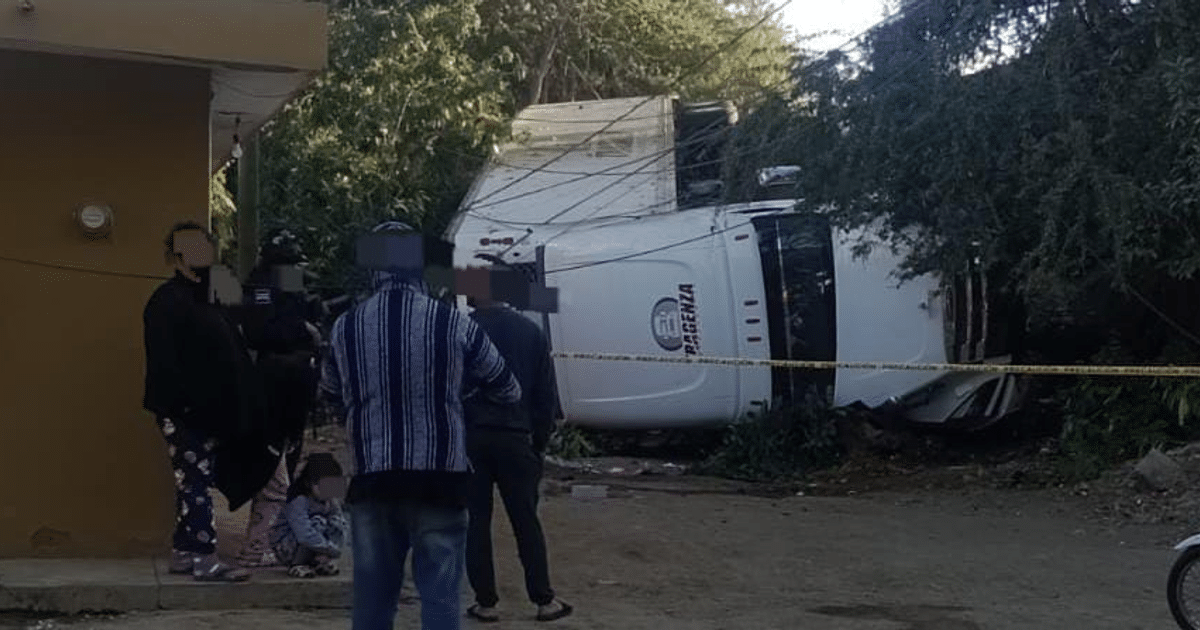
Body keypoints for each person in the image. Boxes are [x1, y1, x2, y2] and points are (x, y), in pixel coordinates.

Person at [321, 221, 522, 630]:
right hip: (439, 482)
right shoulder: (454, 323)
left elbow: (328, 392)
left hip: (373, 480)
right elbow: (508, 388)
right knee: (441, 600)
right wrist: (461, 395)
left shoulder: (345, 327)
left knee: (373, 603)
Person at [142, 221, 274, 582]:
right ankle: (203, 557)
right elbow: (163, 361)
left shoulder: (212, 297)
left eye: (205, 246)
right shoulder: (166, 301)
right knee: (195, 481)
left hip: (215, 413)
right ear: (175, 256)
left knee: (195, 480)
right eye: (193, 247)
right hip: (183, 412)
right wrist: (184, 408)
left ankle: (184, 552)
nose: (202, 253)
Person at [463, 292, 572, 623]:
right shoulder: (530, 332)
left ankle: (486, 603)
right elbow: (545, 396)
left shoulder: (462, 332)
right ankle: (544, 600)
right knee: (526, 521)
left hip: (471, 439)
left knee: (476, 523)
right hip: (516, 438)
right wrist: (537, 444)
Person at [235, 229, 324, 568]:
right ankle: (258, 544)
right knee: (271, 465)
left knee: (286, 459)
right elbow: (260, 332)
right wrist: (304, 330)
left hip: (294, 384)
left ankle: (272, 538)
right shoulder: (262, 285)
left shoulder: (287, 283)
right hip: (274, 384)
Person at [269, 452, 348, 578]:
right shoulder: (299, 501)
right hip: (288, 546)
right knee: (318, 522)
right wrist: (329, 549)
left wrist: (332, 549)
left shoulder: (331, 502)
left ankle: (319, 562)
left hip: (317, 546)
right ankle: (297, 564)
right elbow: (303, 534)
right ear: (309, 483)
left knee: (336, 522)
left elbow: (340, 524)